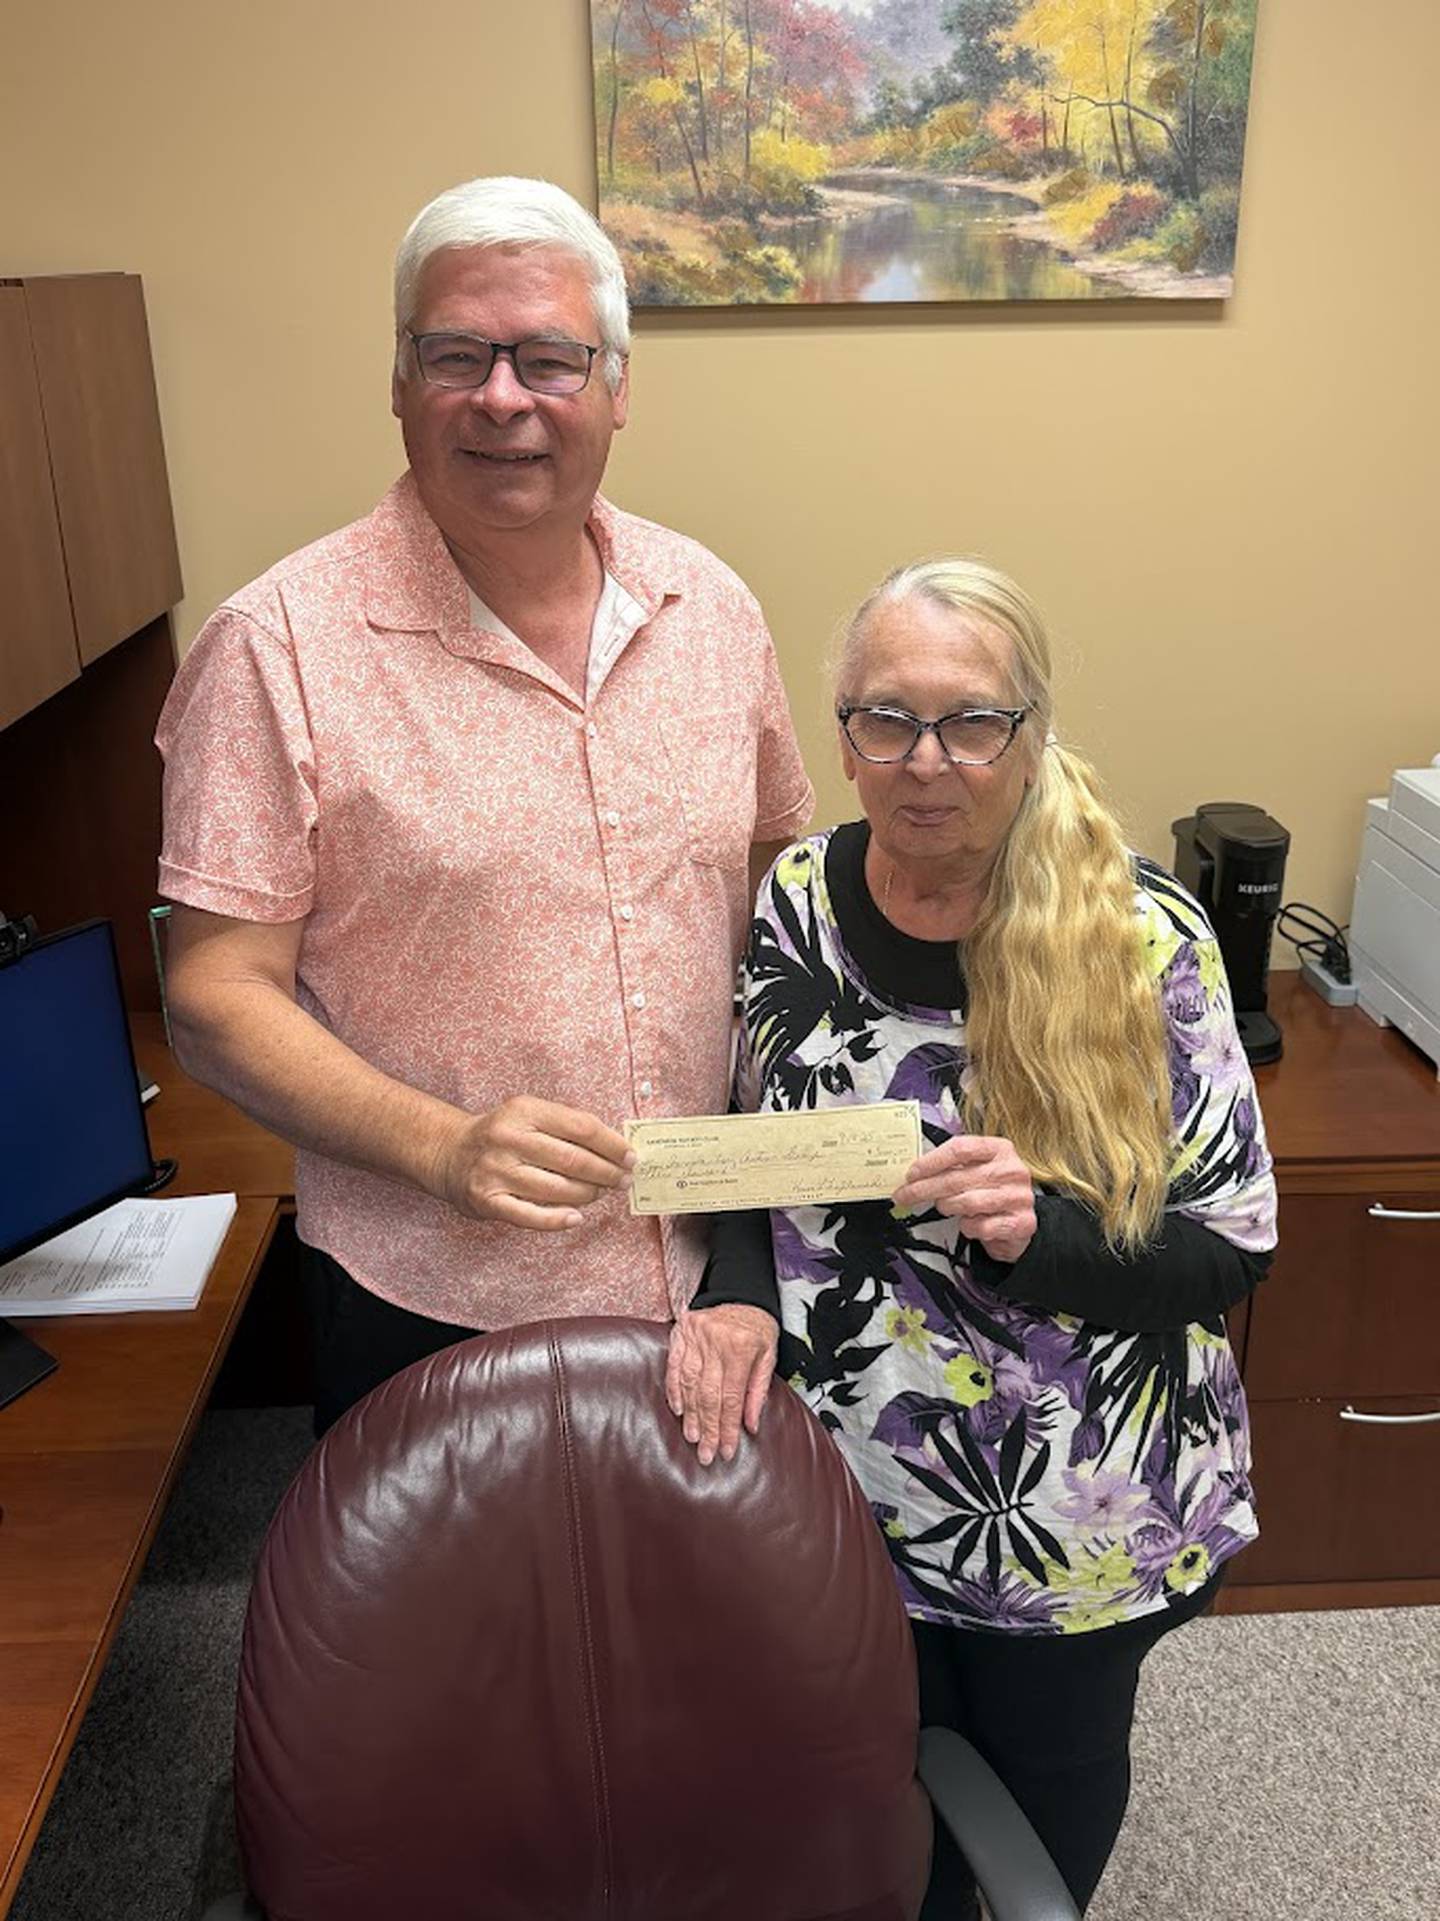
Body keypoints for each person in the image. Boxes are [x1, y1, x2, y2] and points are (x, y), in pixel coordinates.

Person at [669, 558, 1277, 1917]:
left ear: (1030, 733)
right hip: (849, 1473)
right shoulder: (794, 905)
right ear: (843, 735)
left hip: (1067, 1512)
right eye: (885, 719)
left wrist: (1042, 1237)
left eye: (971, 721)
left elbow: (1232, 1249)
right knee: (863, 1770)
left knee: (1039, 1788)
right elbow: (746, 1141)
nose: (925, 761)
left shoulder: (1140, 940)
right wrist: (735, 1289)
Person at [156, 176, 812, 1433]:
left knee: (681, 1609)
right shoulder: (277, 645)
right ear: (400, 383)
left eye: (550, 359)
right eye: (456, 353)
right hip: (426, 1292)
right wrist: (441, 1145)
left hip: (702, 1264)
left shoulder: (711, 607)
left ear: (617, 388)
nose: (502, 396)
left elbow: (775, 886)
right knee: (451, 1628)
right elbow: (215, 993)